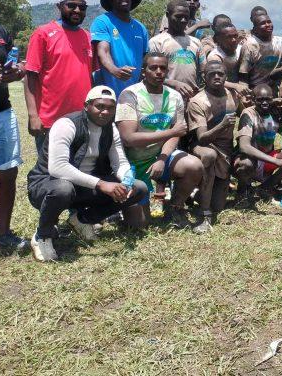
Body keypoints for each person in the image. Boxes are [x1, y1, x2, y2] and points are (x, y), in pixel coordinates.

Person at [26, 86, 147, 261]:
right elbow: (58, 168)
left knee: (138, 188)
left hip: (83, 187)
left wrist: (126, 179)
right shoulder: (66, 124)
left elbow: (119, 162)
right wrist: (101, 184)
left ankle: (82, 220)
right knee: (63, 188)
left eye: (110, 108)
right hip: (48, 185)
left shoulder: (111, 129)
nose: (105, 112)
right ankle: (43, 234)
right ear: (86, 106)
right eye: (99, 106)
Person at [115, 52, 205, 229]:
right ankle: (121, 207)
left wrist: (162, 159)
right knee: (140, 225)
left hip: (160, 156)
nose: (158, 72)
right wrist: (170, 132)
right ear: (143, 71)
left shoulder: (174, 96)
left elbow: (178, 133)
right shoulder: (129, 95)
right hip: (133, 161)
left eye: (163, 68)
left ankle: (174, 208)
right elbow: (129, 138)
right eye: (153, 68)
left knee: (194, 166)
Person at [24, 0, 93, 155]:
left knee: (77, 171)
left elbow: (91, 76)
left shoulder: (87, 37)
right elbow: (30, 76)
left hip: (82, 120)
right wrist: (33, 115)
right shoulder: (43, 33)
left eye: (82, 7)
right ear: (59, 7)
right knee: (48, 174)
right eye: (71, 5)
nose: (77, 10)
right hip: (50, 120)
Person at [0, 0, 27, 251]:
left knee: (7, 172)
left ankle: (2, 234)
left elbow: (14, 64)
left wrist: (15, 72)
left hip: (3, 112)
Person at [187, 61, 238, 233]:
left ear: (226, 76)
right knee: (209, 155)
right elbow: (201, 138)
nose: (216, 77)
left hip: (226, 150)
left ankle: (197, 194)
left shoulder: (233, 95)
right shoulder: (198, 102)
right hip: (205, 146)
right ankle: (203, 213)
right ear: (204, 77)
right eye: (211, 74)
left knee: (219, 206)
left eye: (220, 74)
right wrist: (222, 125)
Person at [234, 83, 282, 205]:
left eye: (268, 99)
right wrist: (276, 161)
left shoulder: (274, 113)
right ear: (253, 100)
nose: (264, 103)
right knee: (245, 164)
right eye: (260, 100)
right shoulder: (248, 114)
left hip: (267, 159)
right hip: (251, 159)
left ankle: (265, 187)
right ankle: (242, 193)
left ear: (272, 98)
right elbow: (244, 146)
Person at [91, 0, 148, 98]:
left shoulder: (140, 28)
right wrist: (114, 70)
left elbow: (145, 58)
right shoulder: (103, 21)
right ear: (110, 1)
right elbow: (103, 51)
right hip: (107, 96)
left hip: (134, 94)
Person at [148, 0, 205, 100]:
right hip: (164, 97)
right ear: (167, 15)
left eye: (186, 17)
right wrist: (174, 83)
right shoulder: (157, 42)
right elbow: (149, 74)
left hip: (191, 97)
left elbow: (204, 71)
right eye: (178, 16)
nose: (183, 20)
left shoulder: (196, 42)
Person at [238, 13, 282, 88]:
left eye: (269, 22)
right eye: (263, 23)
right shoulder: (250, 46)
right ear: (255, 29)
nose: (267, 25)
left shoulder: (280, 42)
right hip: (254, 87)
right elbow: (243, 76)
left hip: (274, 86)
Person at [205, 21, 244, 90]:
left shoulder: (241, 49)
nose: (234, 40)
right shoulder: (215, 56)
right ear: (219, 39)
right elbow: (215, 80)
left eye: (235, 36)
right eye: (229, 37)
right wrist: (236, 86)